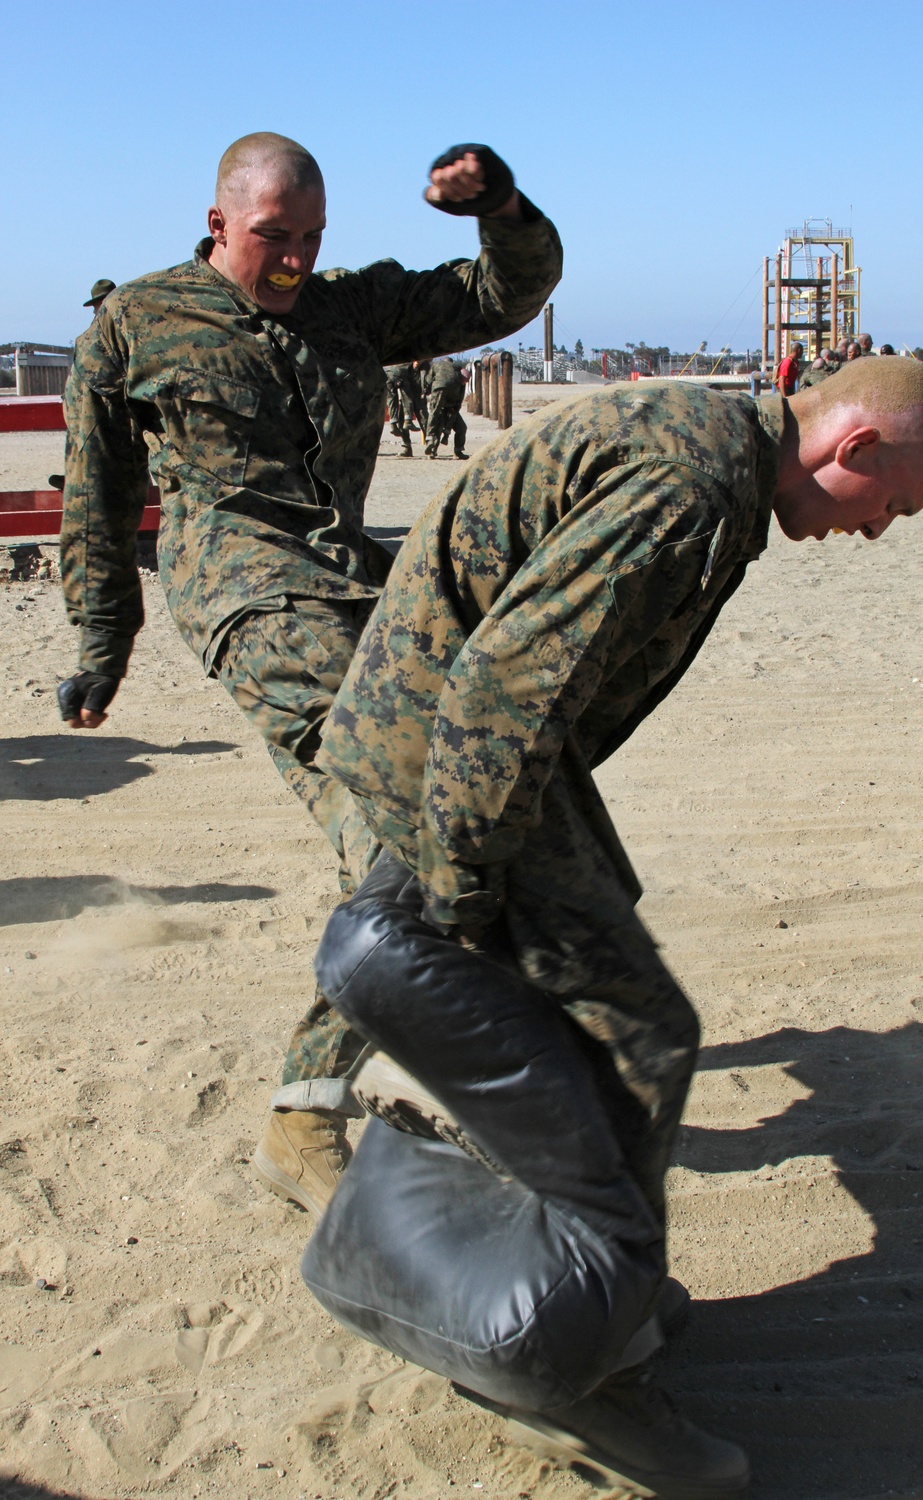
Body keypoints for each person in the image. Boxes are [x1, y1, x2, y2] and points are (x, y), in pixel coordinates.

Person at [304, 357, 923, 1497]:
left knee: (602, 1005)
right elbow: (503, 685)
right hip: (454, 760)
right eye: (891, 505)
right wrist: (463, 900)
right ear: (850, 450)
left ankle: (578, 1296)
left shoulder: (709, 446)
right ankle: (591, 1385)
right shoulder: (691, 488)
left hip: (455, 750)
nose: (876, 535)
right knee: (635, 1038)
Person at [57, 132, 562, 1216]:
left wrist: (501, 204)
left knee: (488, 792)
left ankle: (463, 1024)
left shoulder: (345, 309)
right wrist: (104, 643)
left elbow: (499, 294)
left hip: (366, 591)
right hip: (247, 594)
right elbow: (94, 502)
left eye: (310, 240)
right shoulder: (136, 326)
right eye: (271, 239)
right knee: (399, 825)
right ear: (218, 225)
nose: (290, 262)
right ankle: (305, 1110)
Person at [423, 354, 469, 458]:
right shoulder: (457, 371)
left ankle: (432, 443)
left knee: (435, 418)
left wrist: (427, 391)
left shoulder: (437, 365)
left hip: (445, 401)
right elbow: (461, 394)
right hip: (452, 404)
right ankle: (455, 451)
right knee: (460, 427)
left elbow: (428, 381)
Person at [384, 362, 424, 457]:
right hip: (404, 377)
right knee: (408, 399)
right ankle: (408, 420)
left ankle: (393, 423)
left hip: (388, 374)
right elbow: (416, 364)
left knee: (391, 401)